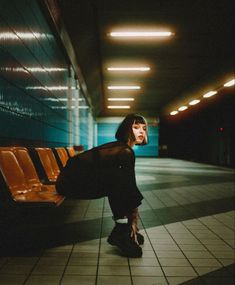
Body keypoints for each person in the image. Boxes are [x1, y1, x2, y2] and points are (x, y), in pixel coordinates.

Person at [56, 113, 148, 257]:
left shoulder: (122, 148)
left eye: (144, 128)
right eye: (136, 127)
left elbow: (128, 185)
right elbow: (129, 186)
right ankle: (122, 231)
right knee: (116, 183)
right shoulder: (125, 151)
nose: (141, 131)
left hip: (71, 179)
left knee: (117, 182)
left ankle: (122, 230)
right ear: (126, 130)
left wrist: (133, 216)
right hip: (69, 183)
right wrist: (134, 217)